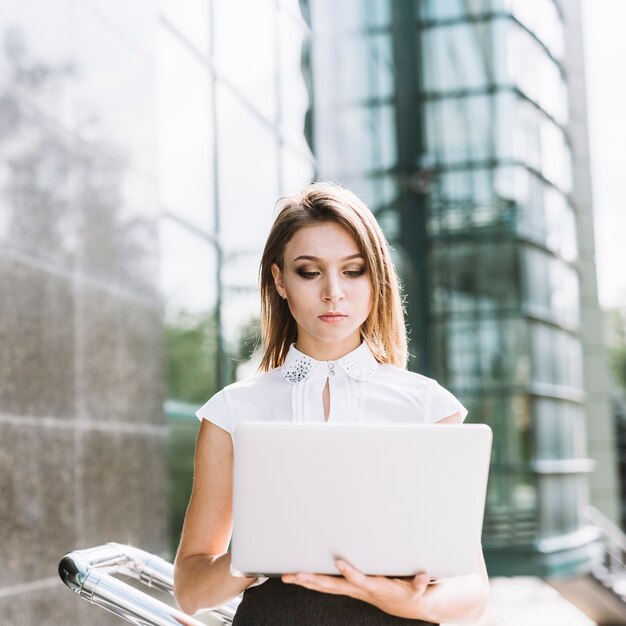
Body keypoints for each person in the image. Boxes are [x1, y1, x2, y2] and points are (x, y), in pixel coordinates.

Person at [173, 182, 490, 625]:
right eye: (309, 271)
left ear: (375, 278)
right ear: (279, 280)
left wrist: (408, 601)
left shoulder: (429, 407)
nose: (333, 292)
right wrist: (255, 555)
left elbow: (472, 590)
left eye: (353, 270)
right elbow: (190, 591)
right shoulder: (233, 411)